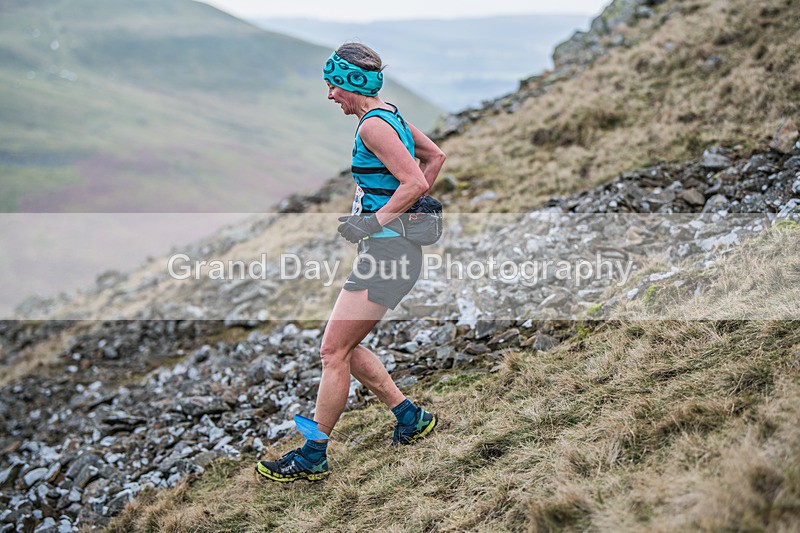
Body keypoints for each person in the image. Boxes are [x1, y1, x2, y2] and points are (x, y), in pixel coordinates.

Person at [256, 42, 447, 483]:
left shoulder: (373, 127)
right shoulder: (389, 115)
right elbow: (435, 158)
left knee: (331, 351)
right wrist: (408, 215)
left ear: (350, 83)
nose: (329, 96)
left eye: (332, 86)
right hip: (393, 251)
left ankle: (313, 455)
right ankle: (409, 417)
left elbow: (415, 179)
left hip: (388, 254)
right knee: (346, 345)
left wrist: (375, 225)